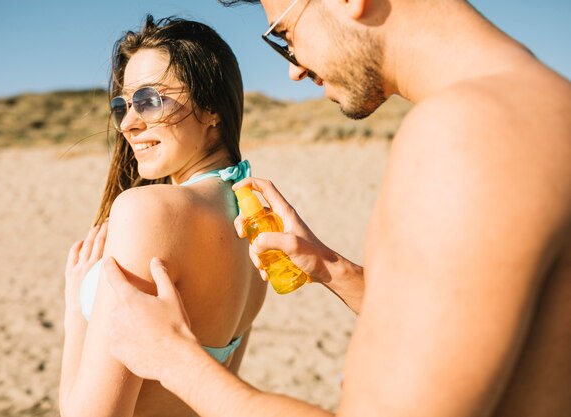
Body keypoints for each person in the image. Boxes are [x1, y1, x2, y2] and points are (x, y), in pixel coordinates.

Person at [104, 0, 571, 416]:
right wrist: (333, 268)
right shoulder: (537, 106)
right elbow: (473, 336)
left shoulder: (470, 130)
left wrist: (175, 358)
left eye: (284, 33)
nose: (294, 69)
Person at [59, 15, 266, 417]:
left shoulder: (147, 210)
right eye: (122, 106)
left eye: (150, 100)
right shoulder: (255, 218)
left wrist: (75, 310)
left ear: (211, 108)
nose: (129, 124)